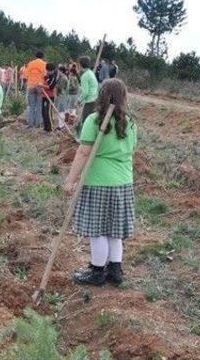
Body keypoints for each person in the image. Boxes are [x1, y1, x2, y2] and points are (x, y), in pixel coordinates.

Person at [65, 79, 137, 286]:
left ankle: (97, 272)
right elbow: (132, 150)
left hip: (99, 182)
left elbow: (83, 152)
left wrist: (71, 181)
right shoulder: (130, 123)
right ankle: (115, 270)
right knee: (114, 230)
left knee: (97, 230)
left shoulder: (94, 121)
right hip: (123, 183)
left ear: (101, 95)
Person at [25, 52, 47, 129]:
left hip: (31, 86)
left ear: (35, 56)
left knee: (31, 106)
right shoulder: (44, 64)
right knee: (39, 105)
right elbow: (45, 75)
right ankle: (38, 124)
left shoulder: (30, 64)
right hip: (39, 87)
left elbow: (26, 75)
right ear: (42, 57)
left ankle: (30, 124)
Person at [77, 56, 99, 133]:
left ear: (80, 65)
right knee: (92, 120)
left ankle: (84, 138)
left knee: (86, 121)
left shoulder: (85, 76)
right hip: (95, 99)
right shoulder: (91, 73)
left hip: (90, 101)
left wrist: (79, 100)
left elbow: (85, 92)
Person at [41, 63, 58, 132]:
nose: (48, 72)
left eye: (49, 70)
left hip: (50, 97)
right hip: (44, 96)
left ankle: (50, 128)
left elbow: (51, 87)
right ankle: (45, 127)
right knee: (43, 112)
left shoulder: (53, 77)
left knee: (48, 112)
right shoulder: (46, 76)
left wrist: (42, 86)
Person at [55, 65, 70, 130]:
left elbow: (60, 87)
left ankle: (61, 125)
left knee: (61, 111)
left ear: (61, 71)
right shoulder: (63, 77)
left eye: (58, 70)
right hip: (62, 96)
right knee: (61, 111)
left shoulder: (63, 78)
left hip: (62, 96)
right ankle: (61, 125)